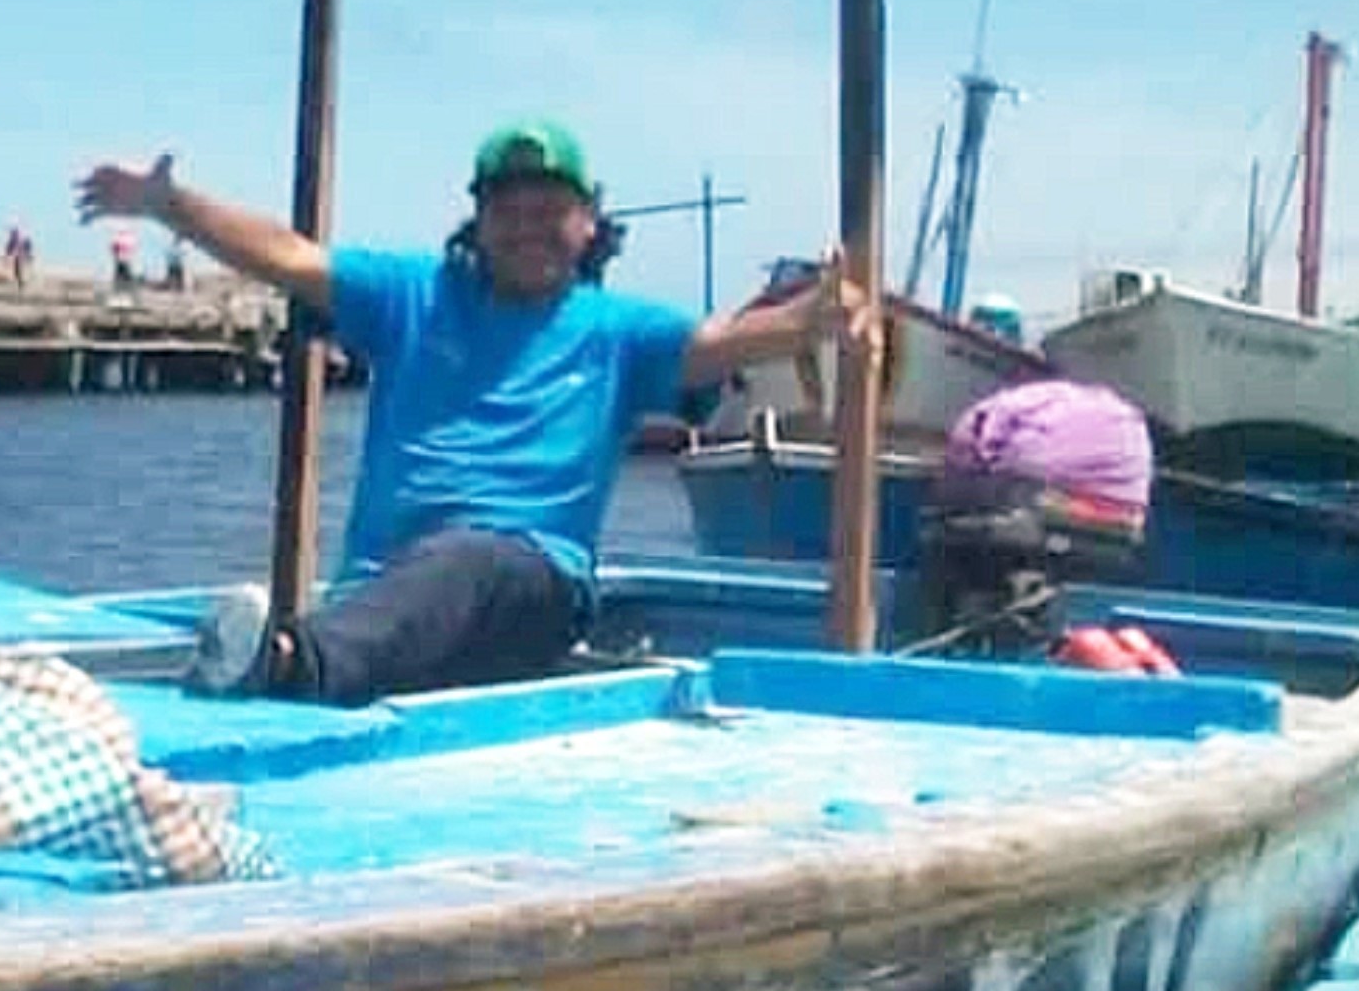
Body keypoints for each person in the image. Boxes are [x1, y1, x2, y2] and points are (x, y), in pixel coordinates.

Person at [75, 120, 874, 706]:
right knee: (432, 572)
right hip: (389, 591)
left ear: (589, 223)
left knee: (474, 556)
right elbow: (287, 256)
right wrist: (170, 204)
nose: (529, 226)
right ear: (479, 221)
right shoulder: (414, 294)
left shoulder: (623, 332)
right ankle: (315, 652)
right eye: (510, 209)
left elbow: (722, 342)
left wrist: (809, 321)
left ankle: (293, 664)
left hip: (531, 591)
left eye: (550, 209)